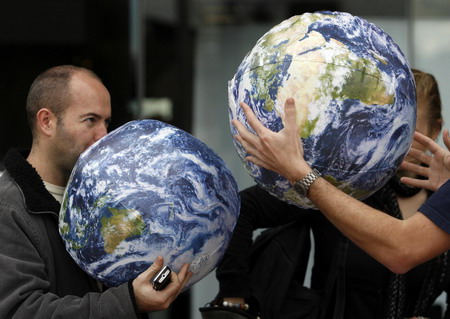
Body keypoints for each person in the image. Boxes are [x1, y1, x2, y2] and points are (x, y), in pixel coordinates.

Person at [202, 69, 450, 319]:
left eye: (405, 129)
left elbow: (403, 249)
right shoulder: (346, 183)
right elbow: (243, 207)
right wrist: (234, 299)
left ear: (435, 128)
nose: (390, 141)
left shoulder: (442, 200)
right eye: (383, 126)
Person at [0, 65, 192, 318]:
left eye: (106, 121)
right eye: (90, 120)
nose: (104, 135)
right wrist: (129, 302)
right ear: (47, 121)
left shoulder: (105, 194)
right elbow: (20, 311)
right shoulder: (8, 207)